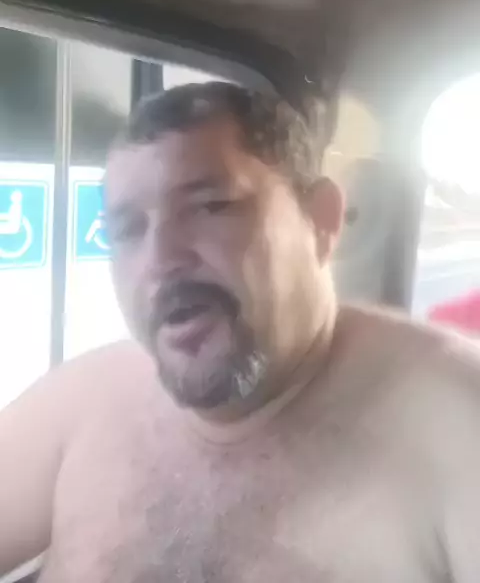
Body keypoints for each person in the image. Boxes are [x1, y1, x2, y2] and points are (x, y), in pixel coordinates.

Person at [1, 81, 480, 583]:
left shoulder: (457, 427)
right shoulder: (84, 402)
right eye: (127, 230)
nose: (159, 261)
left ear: (321, 220)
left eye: (211, 206)